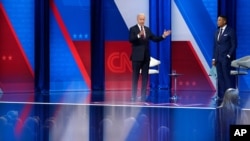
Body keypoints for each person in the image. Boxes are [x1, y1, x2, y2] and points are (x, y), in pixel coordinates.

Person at [129, 13, 171, 101]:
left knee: (145, 77)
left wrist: (163, 36)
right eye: (141, 19)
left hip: (146, 57)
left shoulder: (147, 29)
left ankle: (143, 96)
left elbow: (155, 39)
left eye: (143, 19)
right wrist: (138, 35)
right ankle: (133, 96)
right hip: (136, 57)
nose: (142, 21)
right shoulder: (133, 29)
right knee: (135, 77)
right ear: (137, 19)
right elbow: (131, 40)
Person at [212, 15, 236, 100]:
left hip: (225, 58)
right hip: (218, 58)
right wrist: (214, 58)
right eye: (217, 20)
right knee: (220, 77)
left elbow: (234, 45)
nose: (218, 22)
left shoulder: (230, 31)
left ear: (224, 21)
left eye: (219, 20)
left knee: (226, 76)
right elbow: (215, 46)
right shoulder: (217, 32)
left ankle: (230, 96)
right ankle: (222, 96)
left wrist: (228, 55)